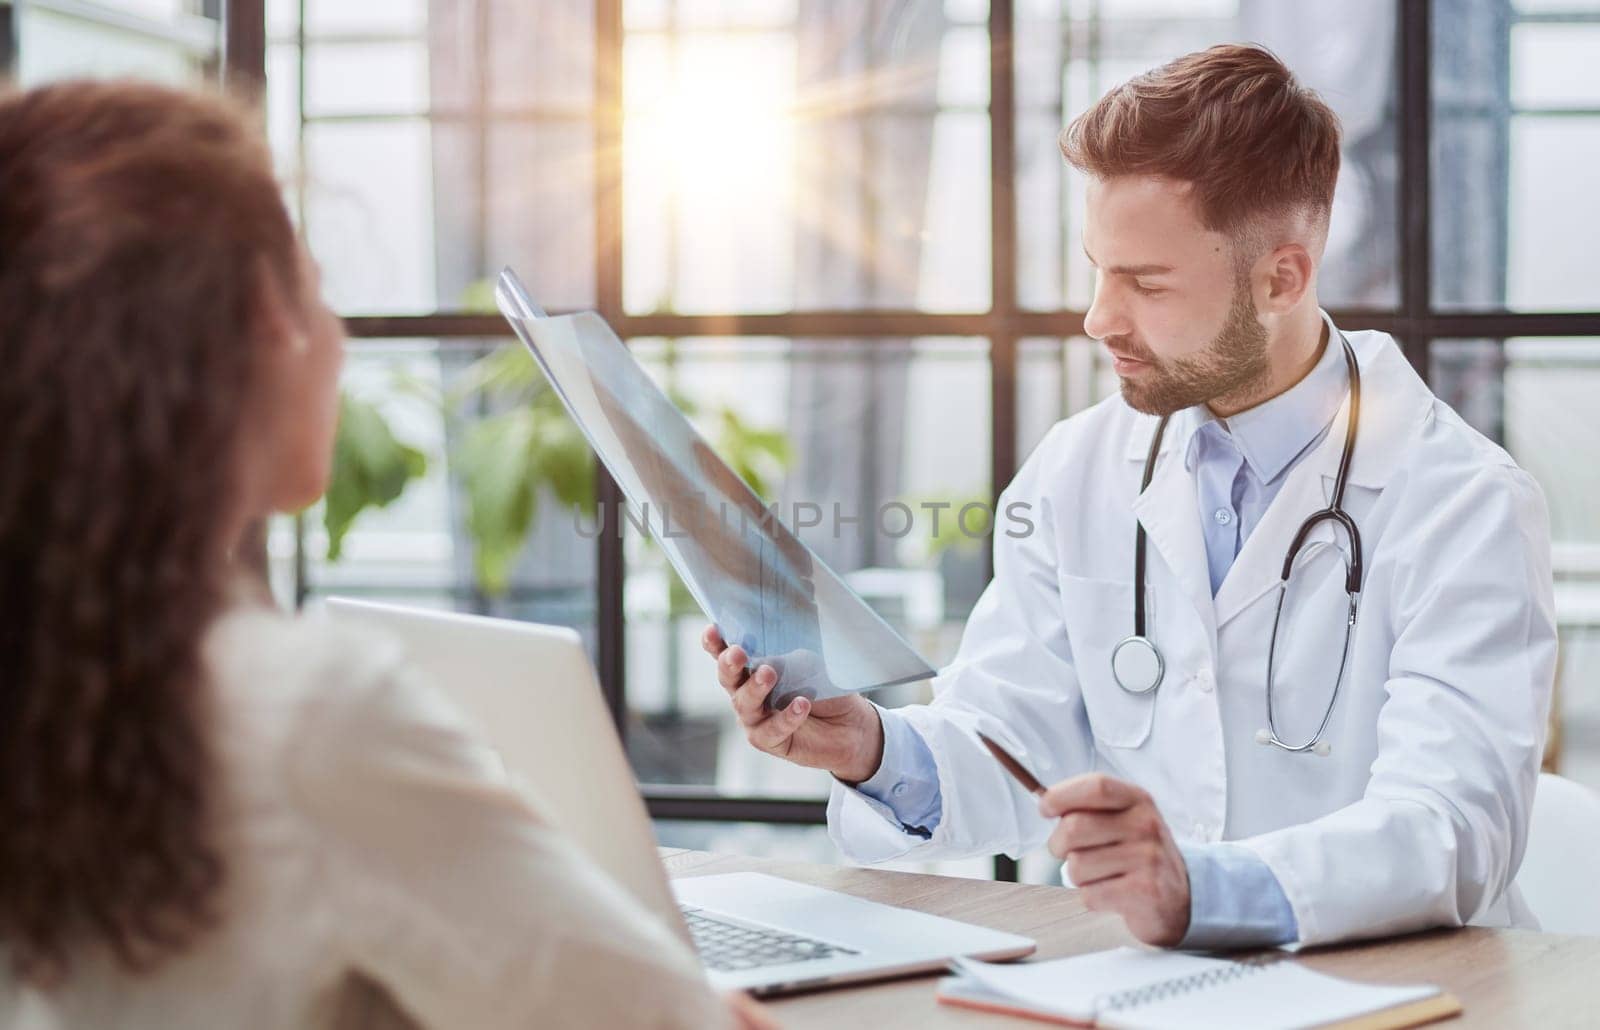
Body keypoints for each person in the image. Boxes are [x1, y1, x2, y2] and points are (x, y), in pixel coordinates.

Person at [704, 44, 1557, 950]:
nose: (1097, 319)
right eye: (1098, 269)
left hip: (1399, 991)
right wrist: (868, 749)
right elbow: (1010, 740)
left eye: (1145, 283)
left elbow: (1454, 829)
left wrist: (1204, 885)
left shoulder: (1462, 502)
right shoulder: (1080, 467)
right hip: (1146, 980)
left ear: (1283, 278)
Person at [0, 80, 770, 1029]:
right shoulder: (300, 715)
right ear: (263, 318)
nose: (342, 340)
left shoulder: (56, 680)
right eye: (321, 293)